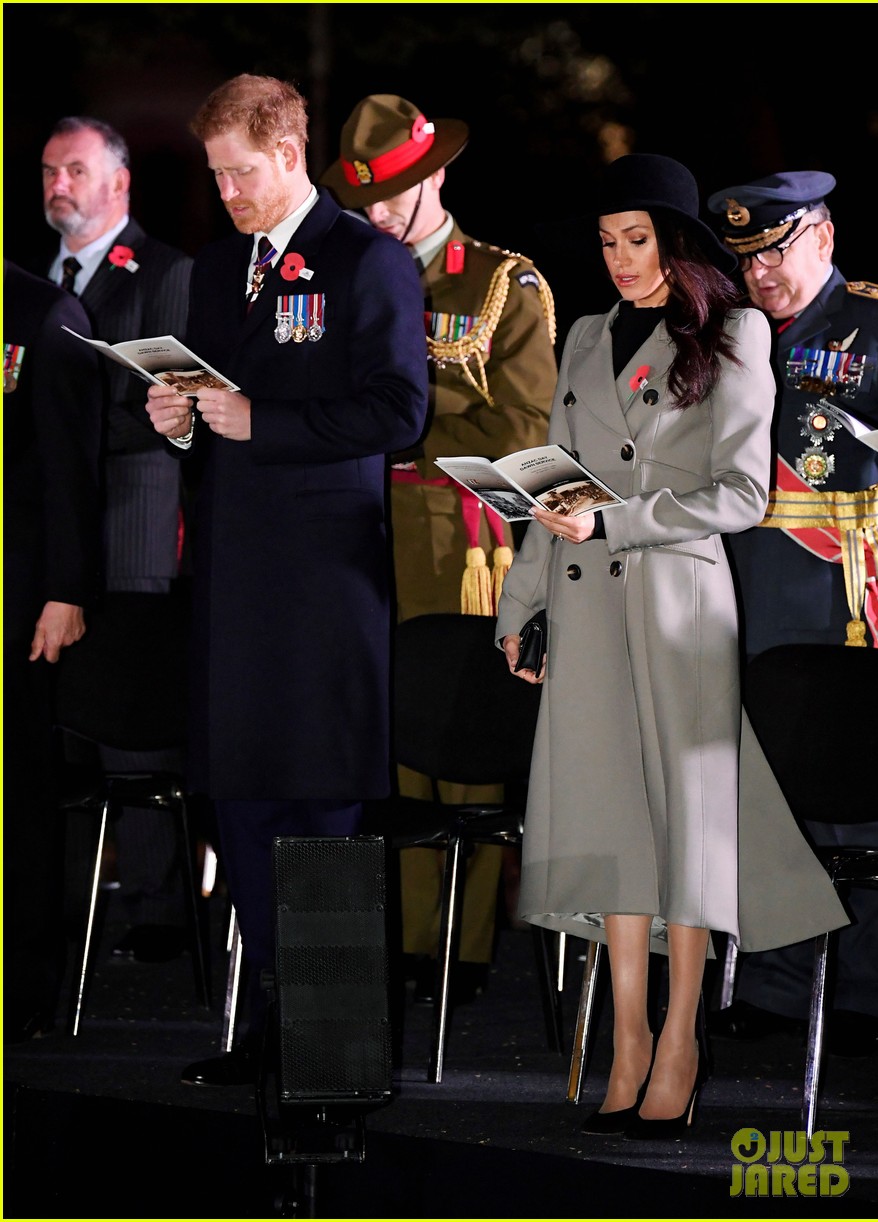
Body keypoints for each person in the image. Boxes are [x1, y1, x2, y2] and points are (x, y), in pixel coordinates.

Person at [495, 154, 849, 1138]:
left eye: (637, 239)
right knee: (612, 820)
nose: (619, 258)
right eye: (607, 240)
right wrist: (519, 607)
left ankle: (682, 1041)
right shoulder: (583, 335)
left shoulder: (733, 332)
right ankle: (629, 1039)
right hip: (584, 605)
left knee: (685, 829)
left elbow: (742, 494)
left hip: (678, 604)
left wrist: (614, 520)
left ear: (678, 241)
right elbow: (552, 484)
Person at [143, 74, 428, 1086]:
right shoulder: (221, 267)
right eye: (215, 176)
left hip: (321, 589)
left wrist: (264, 423)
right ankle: (270, 1031)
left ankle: (335, 1055)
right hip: (233, 585)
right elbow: (212, 405)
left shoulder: (368, 259)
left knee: (319, 815)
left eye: (240, 174)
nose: (225, 193)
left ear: (289, 154)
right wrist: (178, 423)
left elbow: (400, 410)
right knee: (245, 809)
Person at [321, 94, 558, 1000]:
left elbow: (527, 427)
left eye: (394, 193)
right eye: (364, 198)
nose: (378, 212)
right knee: (376, 742)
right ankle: (386, 937)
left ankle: (453, 948)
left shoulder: (500, 283)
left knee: (456, 743)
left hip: (454, 534)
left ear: (439, 176)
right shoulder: (342, 276)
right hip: (354, 530)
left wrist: (401, 426)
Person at [705, 171, 878, 1055]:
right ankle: (775, 984)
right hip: (743, 584)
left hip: (844, 588)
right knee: (763, 789)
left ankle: (872, 988)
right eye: (746, 260)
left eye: (775, 254)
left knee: (860, 791)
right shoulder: (728, 330)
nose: (761, 275)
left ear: (822, 235)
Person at [40, 116, 195, 964]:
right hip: (50, 538)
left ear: (119, 183)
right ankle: (64, 904)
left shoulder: (165, 272)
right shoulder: (31, 283)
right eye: (48, 170)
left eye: (75, 169)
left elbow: (166, 412)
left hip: (133, 532)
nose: (57, 184)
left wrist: (52, 433)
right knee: (61, 729)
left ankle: (157, 908)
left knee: (137, 729)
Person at [4, 259, 103, 1041]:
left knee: (16, 796)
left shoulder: (41, 310)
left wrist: (66, 589)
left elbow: (72, 465)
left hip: (15, 593)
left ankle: (21, 987)